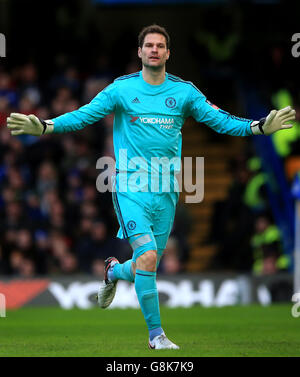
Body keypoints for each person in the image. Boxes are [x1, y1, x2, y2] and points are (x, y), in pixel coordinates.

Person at [6, 24, 296, 350]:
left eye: (160, 45)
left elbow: (222, 120)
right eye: (149, 45)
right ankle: (156, 337)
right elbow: (83, 116)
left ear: (168, 53)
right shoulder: (121, 90)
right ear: (140, 52)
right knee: (147, 254)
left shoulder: (184, 92)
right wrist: (45, 126)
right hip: (130, 184)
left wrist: (258, 127)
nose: (155, 50)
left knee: (148, 262)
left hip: (167, 189)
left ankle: (114, 272)